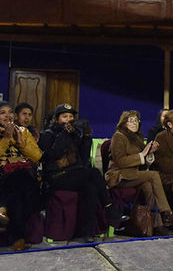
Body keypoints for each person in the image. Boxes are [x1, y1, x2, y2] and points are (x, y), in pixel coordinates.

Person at [38, 103, 125, 241]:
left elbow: (84, 159)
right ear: (56, 119)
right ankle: (109, 208)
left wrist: (86, 135)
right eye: (64, 116)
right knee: (94, 173)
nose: (68, 119)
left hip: (76, 175)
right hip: (56, 176)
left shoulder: (74, 134)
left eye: (71, 116)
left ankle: (87, 232)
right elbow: (53, 154)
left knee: (90, 188)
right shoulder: (47, 134)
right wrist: (64, 134)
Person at [104, 110, 173, 233]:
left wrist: (149, 154)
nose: (134, 123)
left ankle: (156, 225)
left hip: (134, 175)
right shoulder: (118, 136)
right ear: (124, 123)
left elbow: (142, 165)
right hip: (118, 176)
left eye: (136, 120)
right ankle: (167, 213)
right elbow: (120, 161)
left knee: (148, 186)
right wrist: (142, 154)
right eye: (131, 121)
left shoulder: (137, 138)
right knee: (154, 175)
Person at [0, 100, 42, 251]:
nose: (8, 116)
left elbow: (37, 156)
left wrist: (20, 143)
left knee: (21, 183)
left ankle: (3, 210)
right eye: (2, 112)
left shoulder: (23, 132)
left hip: (21, 175)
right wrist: (5, 139)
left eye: (10, 112)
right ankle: (18, 238)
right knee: (22, 186)